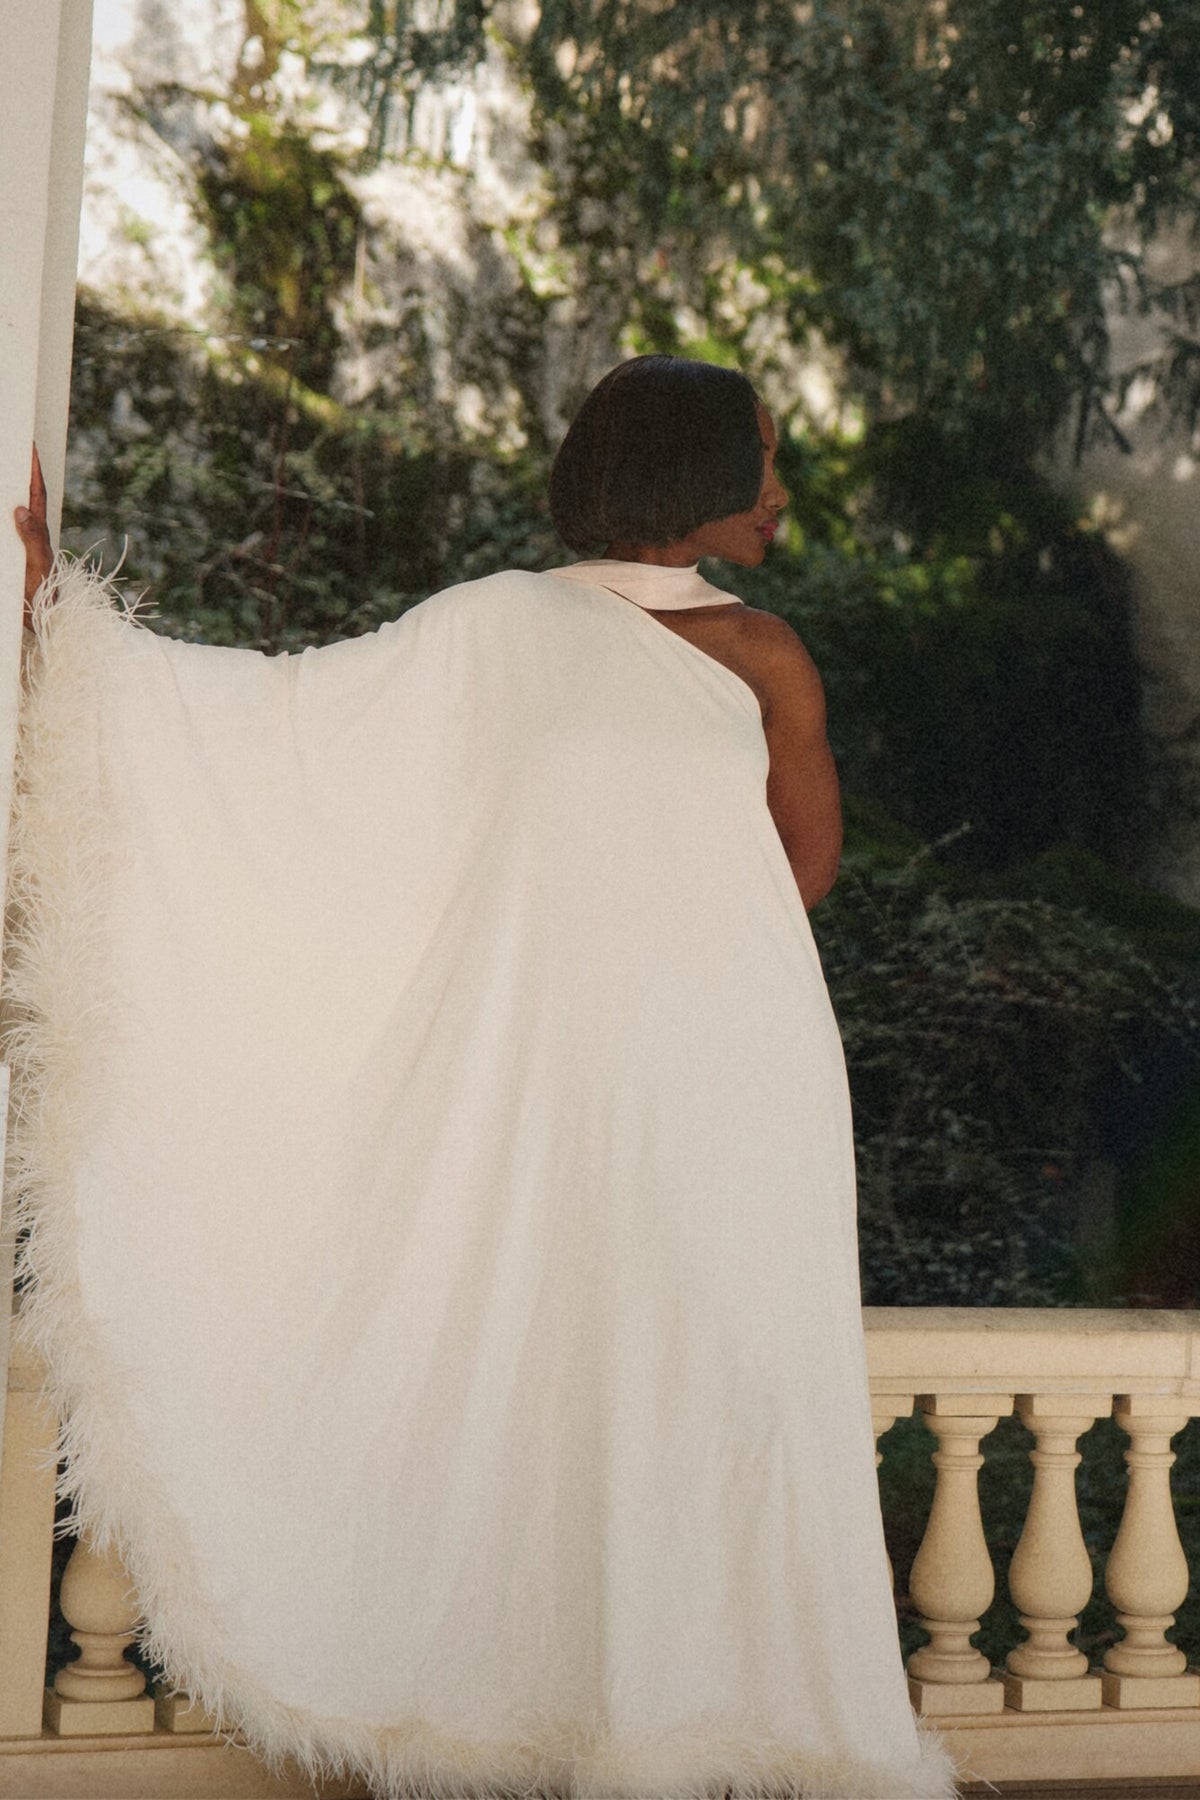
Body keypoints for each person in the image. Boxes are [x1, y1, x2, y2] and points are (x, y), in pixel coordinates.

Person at [11, 355, 955, 1799]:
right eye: (761, 461)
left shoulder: (765, 650)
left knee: (741, 1381)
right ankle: (585, 1729)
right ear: (685, 471)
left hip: (740, 1083)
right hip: (550, 1078)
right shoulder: (494, 626)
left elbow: (803, 870)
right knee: (560, 1364)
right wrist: (60, 620)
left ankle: (757, 1734)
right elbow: (290, 736)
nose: (780, 493)